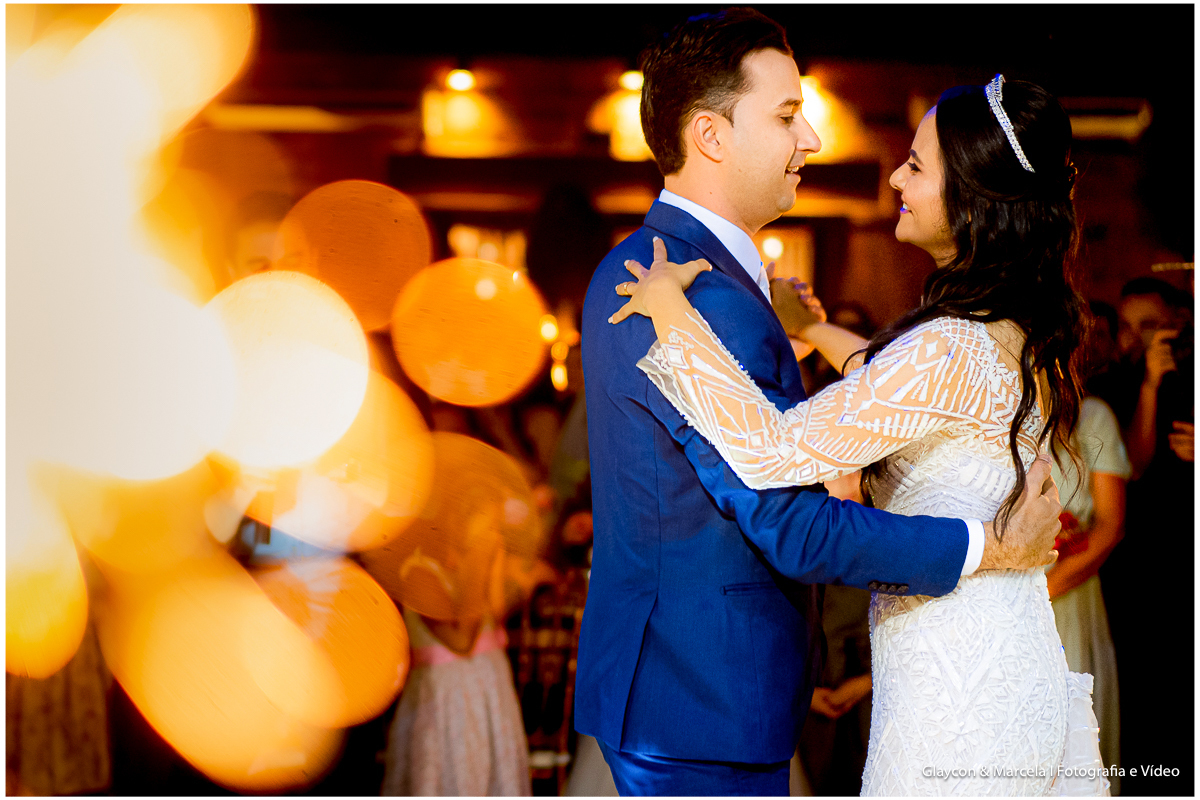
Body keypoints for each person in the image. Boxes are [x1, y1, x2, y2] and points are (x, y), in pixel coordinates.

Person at [576, 9, 1063, 796]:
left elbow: (808, 433)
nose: (812, 140)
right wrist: (987, 548)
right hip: (701, 696)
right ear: (710, 135)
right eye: (786, 116)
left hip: (728, 689)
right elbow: (787, 518)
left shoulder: (669, 276)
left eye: (915, 165)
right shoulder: (691, 289)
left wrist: (792, 326)